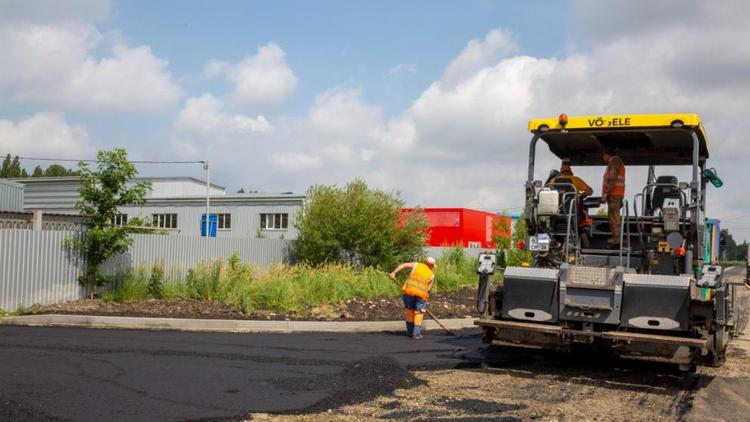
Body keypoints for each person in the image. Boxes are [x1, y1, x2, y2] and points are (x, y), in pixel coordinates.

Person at [389, 257, 436, 339]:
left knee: (409, 311)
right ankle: (416, 334)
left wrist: (394, 273)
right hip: (421, 295)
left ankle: (410, 332)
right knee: (419, 313)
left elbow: (404, 265)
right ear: (431, 266)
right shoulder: (431, 275)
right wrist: (423, 303)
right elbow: (428, 289)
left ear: (424, 262)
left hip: (409, 292)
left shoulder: (416, 265)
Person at [601, 149, 626, 248]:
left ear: (606, 155)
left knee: (614, 217)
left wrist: (605, 193)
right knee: (614, 217)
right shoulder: (615, 162)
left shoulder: (614, 161)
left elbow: (612, 178)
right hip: (615, 194)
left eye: (603, 156)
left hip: (614, 194)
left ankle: (617, 240)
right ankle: (617, 239)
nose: (603, 158)